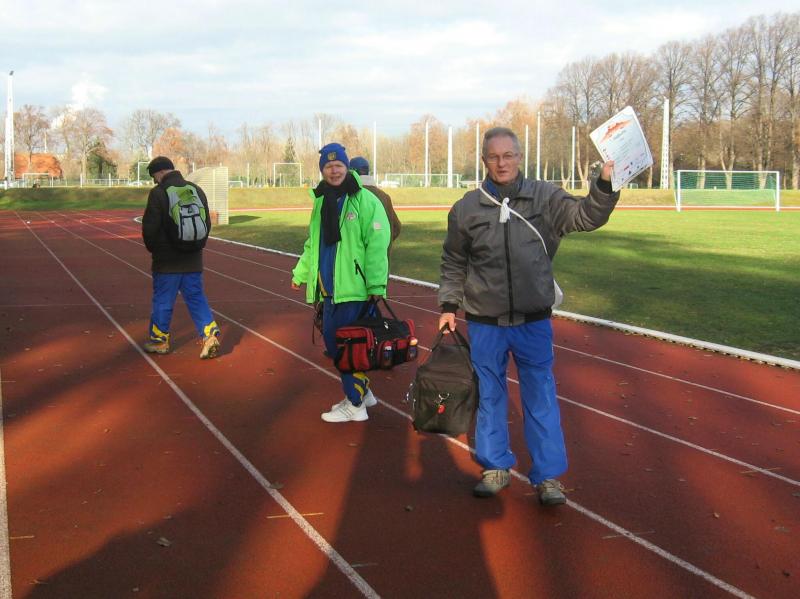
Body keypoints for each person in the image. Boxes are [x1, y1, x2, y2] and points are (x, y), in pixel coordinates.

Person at [437, 127, 619, 506]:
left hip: (533, 321)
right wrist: (449, 306)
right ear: (484, 160)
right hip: (485, 322)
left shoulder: (545, 197)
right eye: (494, 156)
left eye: (508, 155)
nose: (501, 163)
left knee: (541, 398)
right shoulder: (467, 208)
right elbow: (453, 260)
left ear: (520, 157)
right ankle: (494, 466)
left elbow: (587, 216)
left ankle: (548, 477)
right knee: (489, 397)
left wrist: (604, 184)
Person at [291, 143, 391, 422]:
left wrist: (376, 285)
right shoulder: (322, 201)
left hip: (353, 289)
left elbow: (377, 244)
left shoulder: (364, 200)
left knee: (344, 348)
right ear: (322, 170)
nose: (334, 171)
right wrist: (300, 273)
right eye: (328, 166)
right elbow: (313, 244)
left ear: (347, 167)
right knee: (336, 344)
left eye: (338, 165)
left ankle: (355, 405)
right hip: (329, 289)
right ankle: (363, 393)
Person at [141, 156, 221, 359]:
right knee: (196, 297)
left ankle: (160, 341)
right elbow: (206, 224)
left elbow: (150, 229)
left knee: (163, 300)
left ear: (160, 172)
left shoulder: (159, 193)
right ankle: (210, 335)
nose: (154, 181)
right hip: (193, 259)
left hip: (167, 261)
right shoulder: (196, 190)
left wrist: (155, 250)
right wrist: (197, 247)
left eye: (154, 177)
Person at [349, 156, 402, 250]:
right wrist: (383, 244)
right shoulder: (384, 197)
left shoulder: (349, 196)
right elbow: (396, 227)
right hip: (381, 255)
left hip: (356, 256)